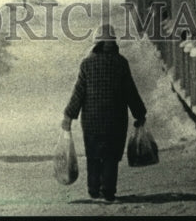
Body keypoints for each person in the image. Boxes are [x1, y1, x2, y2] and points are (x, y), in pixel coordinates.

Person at [61, 23, 147, 202]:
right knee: (111, 155)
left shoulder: (87, 64)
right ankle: (108, 190)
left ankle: (93, 189)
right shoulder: (121, 63)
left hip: (92, 121)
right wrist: (139, 112)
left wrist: (69, 115)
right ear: (113, 43)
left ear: (96, 43)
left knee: (93, 155)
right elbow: (130, 91)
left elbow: (79, 92)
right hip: (116, 120)